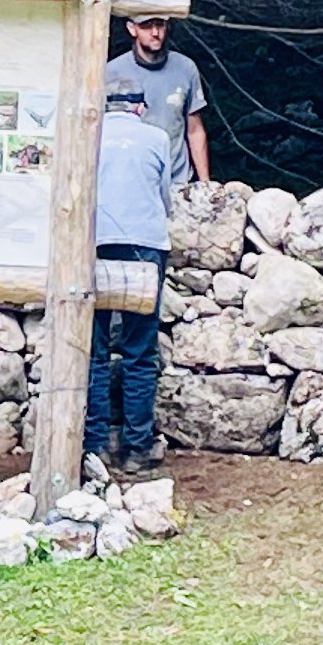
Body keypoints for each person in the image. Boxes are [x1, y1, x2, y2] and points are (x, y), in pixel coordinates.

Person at [86, 86, 185, 469]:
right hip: (144, 246)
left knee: (93, 350)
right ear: (140, 107)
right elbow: (164, 196)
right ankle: (137, 446)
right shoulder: (156, 137)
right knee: (139, 350)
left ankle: (94, 444)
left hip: (94, 244)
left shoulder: (90, 134)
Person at [104, 13, 211, 181]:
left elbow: (195, 129)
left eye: (160, 25)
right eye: (146, 26)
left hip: (177, 178)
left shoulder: (185, 68)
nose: (155, 32)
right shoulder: (111, 72)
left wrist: (205, 182)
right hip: (133, 178)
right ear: (132, 29)